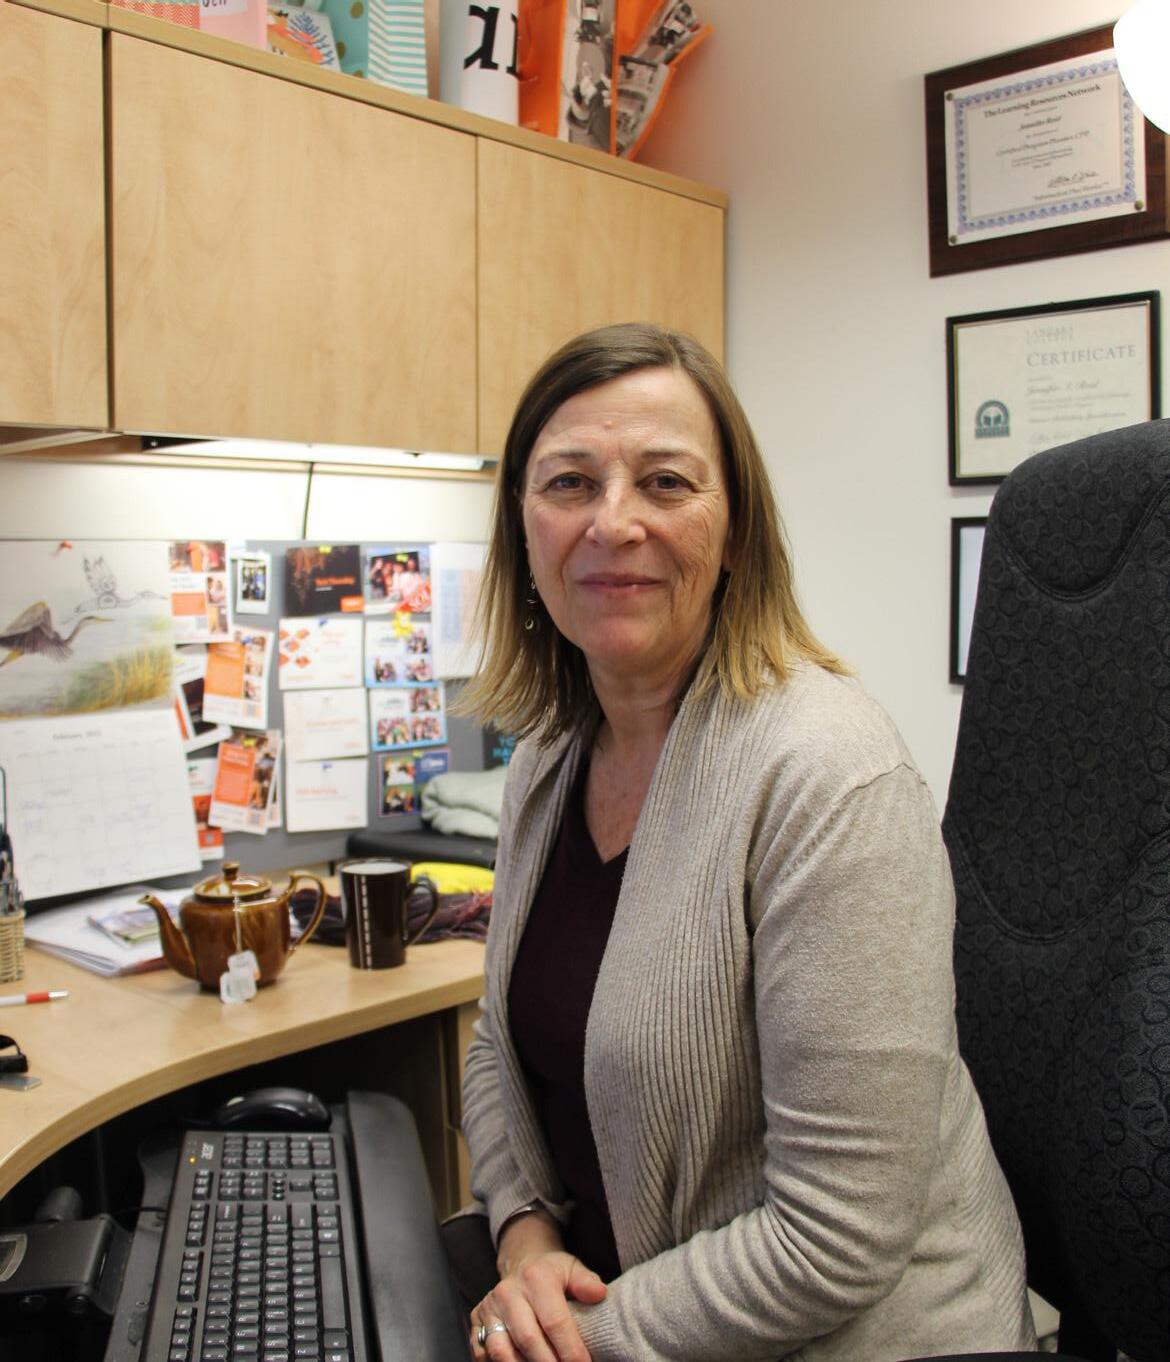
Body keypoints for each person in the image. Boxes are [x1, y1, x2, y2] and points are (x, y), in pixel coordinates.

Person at [448, 323, 1035, 1362]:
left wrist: (565, 1336)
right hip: (617, 1299)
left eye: (666, 483)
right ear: (523, 532)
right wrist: (524, 1238)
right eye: (570, 483)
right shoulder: (549, 753)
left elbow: (836, 1236)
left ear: (735, 534)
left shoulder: (826, 772)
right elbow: (498, 1040)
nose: (613, 522)